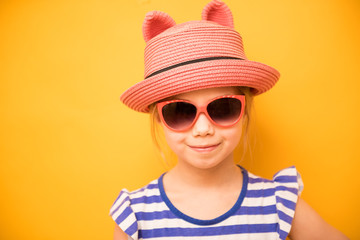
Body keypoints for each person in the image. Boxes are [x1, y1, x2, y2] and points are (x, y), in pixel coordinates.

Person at [110, 1, 348, 239]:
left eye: (223, 108)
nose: (203, 129)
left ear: (244, 109)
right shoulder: (135, 215)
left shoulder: (279, 204)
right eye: (180, 111)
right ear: (158, 118)